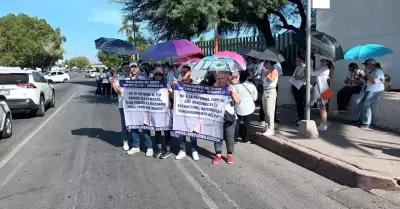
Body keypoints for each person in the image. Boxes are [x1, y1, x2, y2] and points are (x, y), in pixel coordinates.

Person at [111, 62, 151, 155]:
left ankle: (149, 147)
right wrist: (113, 83)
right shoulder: (123, 79)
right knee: (131, 126)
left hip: (141, 106)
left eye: (134, 67)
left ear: (138, 69)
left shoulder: (142, 78)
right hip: (127, 106)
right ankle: (134, 145)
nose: (129, 69)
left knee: (144, 126)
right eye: (129, 68)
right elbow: (120, 92)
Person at [172, 65, 200, 161]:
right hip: (181, 112)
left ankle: (194, 150)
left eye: (185, 72)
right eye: (182, 72)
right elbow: (172, 97)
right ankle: (182, 150)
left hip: (192, 112)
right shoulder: (178, 83)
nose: (183, 74)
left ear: (190, 72)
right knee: (181, 132)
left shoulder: (196, 84)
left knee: (193, 133)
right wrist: (174, 86)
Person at [213, 71, 241, 164]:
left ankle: (229, 155)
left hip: (230, 116)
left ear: (226, 78)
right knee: (217, 137)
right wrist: (215, 87)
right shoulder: (215, 87)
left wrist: (232, 92)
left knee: (229, 137)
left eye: (222, 78)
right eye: (219, 78)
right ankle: (218, 155)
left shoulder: (231, 87)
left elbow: (238, 101)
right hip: (217, 117)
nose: (220, 80)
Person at [351, 58, 384, 130]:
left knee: (366, 104)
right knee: (356, 101)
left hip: (375, 90)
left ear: (371, 64)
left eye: (366, 64)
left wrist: (367, 73)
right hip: (366, 89)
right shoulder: (370, 71)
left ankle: (367, 123)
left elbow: (373, 81)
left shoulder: (379, 71)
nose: (365, 66)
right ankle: (355, 119)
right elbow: (366, 81)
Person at [151, 67, 173, 159]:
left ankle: (168, 150)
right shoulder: (150, 84)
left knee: (167, 131)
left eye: (160, 74)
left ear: (163, 75)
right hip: (155, 111)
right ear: (153, 75)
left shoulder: (166, 83)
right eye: (156, 74)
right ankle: (159, 148)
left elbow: (172, 96)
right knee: (157, 130)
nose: (158, 76)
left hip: (165, 111)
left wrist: (170, 92)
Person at [233, 70, 257, 143]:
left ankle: (235, 138)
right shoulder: (252, 85)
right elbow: (255, 97)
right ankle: (245, 138)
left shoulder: (235, 86)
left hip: (238, 107)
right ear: (247, 77)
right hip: (249, 107)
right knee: (247, 123)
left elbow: (233, 97)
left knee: (237, 123)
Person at [311, 57, 333, 131]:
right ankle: (323, 124)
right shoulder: (322, 69)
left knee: (323, 109)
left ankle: (324, 125)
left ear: (327, 62)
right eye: (320, 60)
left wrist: (309, 66)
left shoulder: (325, 69)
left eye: (322, 61)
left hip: (323, 91)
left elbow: (312, 73)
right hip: (322, 90)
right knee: (322, 108)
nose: (320, 62)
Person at [260, 60, 279, 136]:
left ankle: (271, 128)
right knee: (265, 109)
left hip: (271, 91)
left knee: (269, 110)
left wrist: (265, 74)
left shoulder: (274, 70)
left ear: (270, 63)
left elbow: (271, 79)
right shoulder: (268, 70)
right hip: (265, 90)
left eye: (266, 63)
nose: (265, 64)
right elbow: (265, 81)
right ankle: (267, 126)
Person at [291, 56, 306, 125]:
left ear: (302, 61)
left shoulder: (306, 68)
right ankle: (299, 117)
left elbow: (307, 77)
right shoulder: (297, 68)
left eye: (298, 60)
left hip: (302, 86)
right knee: (297, 102)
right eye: (296, 60)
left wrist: (299, 77)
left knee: (301, 103)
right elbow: (294, 76)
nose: (296, 62)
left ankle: (302, 118)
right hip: (295, 85)